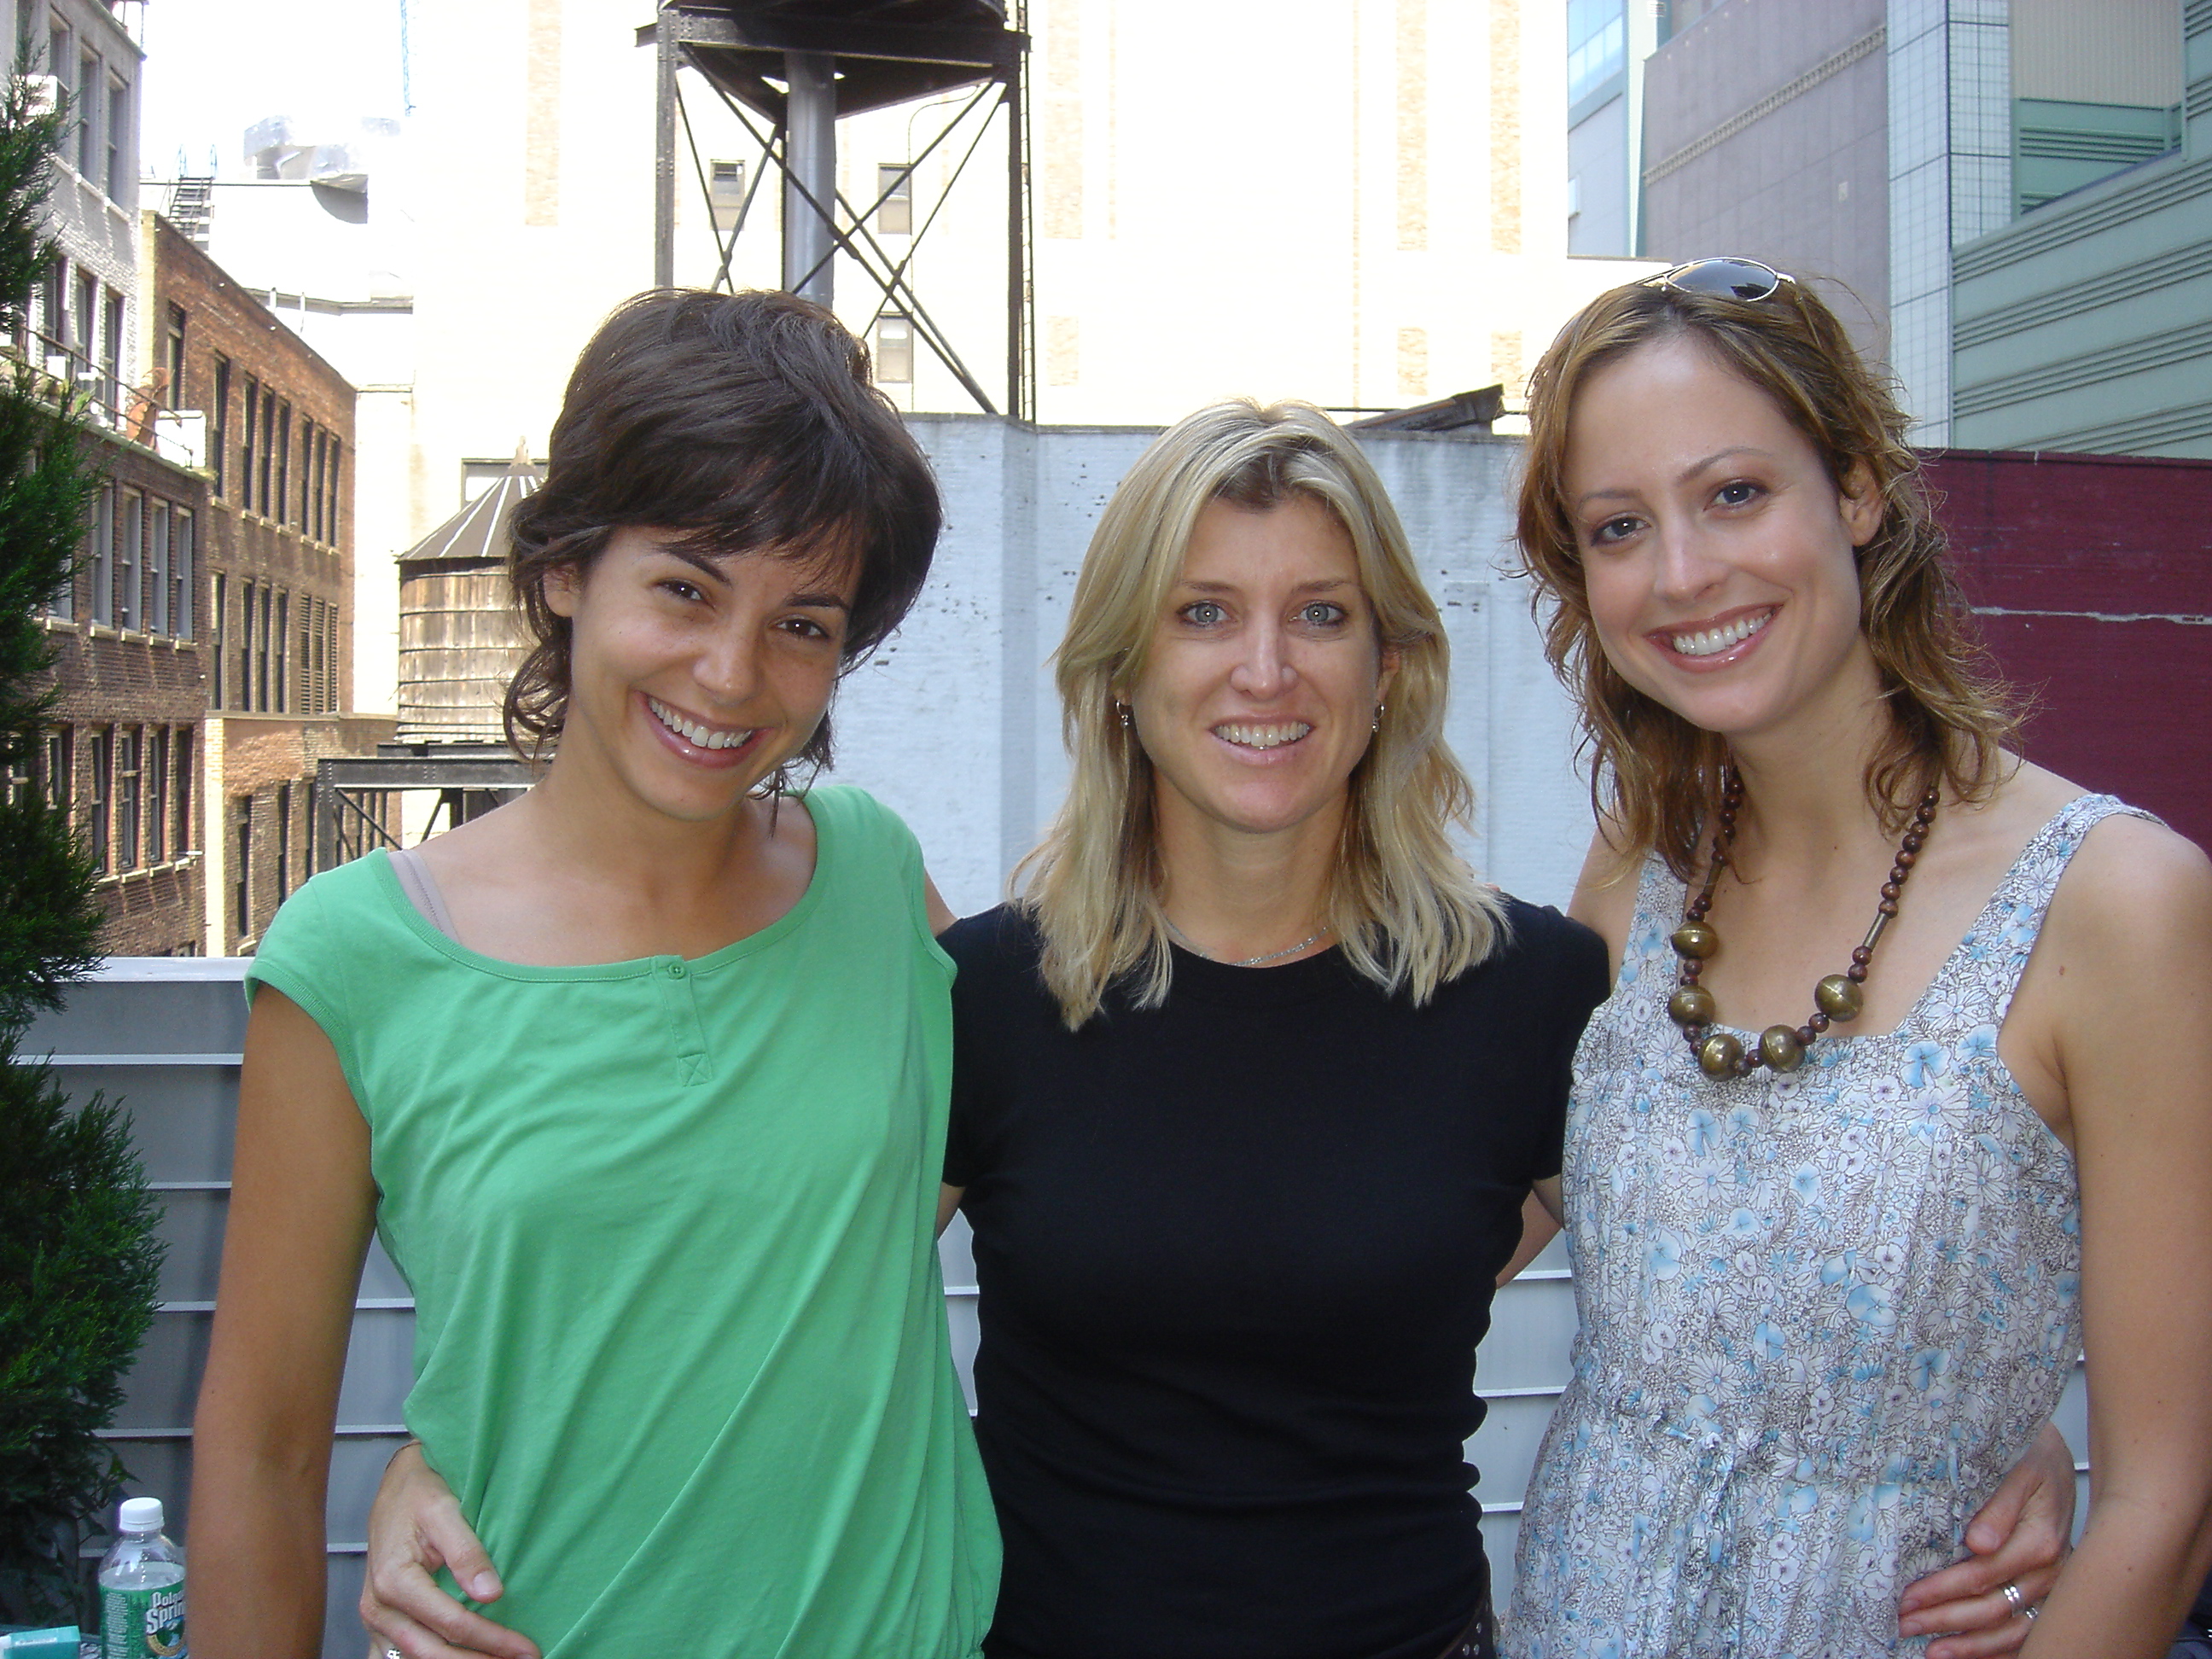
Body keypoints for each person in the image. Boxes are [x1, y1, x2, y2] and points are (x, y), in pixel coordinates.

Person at [359, 397, 2070, 1659]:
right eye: (1205, 613)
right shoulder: (996, 1001)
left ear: (1390, 668)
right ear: (1122, 673)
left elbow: (1761, 1247)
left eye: (1320, 615)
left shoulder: (1535, 994)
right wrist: (453, 1445)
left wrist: (2010, 1438)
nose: (1267, 670)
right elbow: (737, 1271)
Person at [185, 289, 999, 1659]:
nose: (732, 673)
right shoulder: (356, 959)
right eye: (683, 587)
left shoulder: (875, 883)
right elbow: (261, 1451)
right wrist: (483, 1424)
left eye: (804, 622)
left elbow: (906, 1192)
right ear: (566, 568)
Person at [1504, 258, 2212, 1658]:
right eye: (1620, 526)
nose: (1685, 573)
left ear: (1863, 491)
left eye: (1736, 494)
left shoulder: (2115, 903)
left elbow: (2166, 1509)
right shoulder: (1635, 878)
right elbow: (1466, 1217)